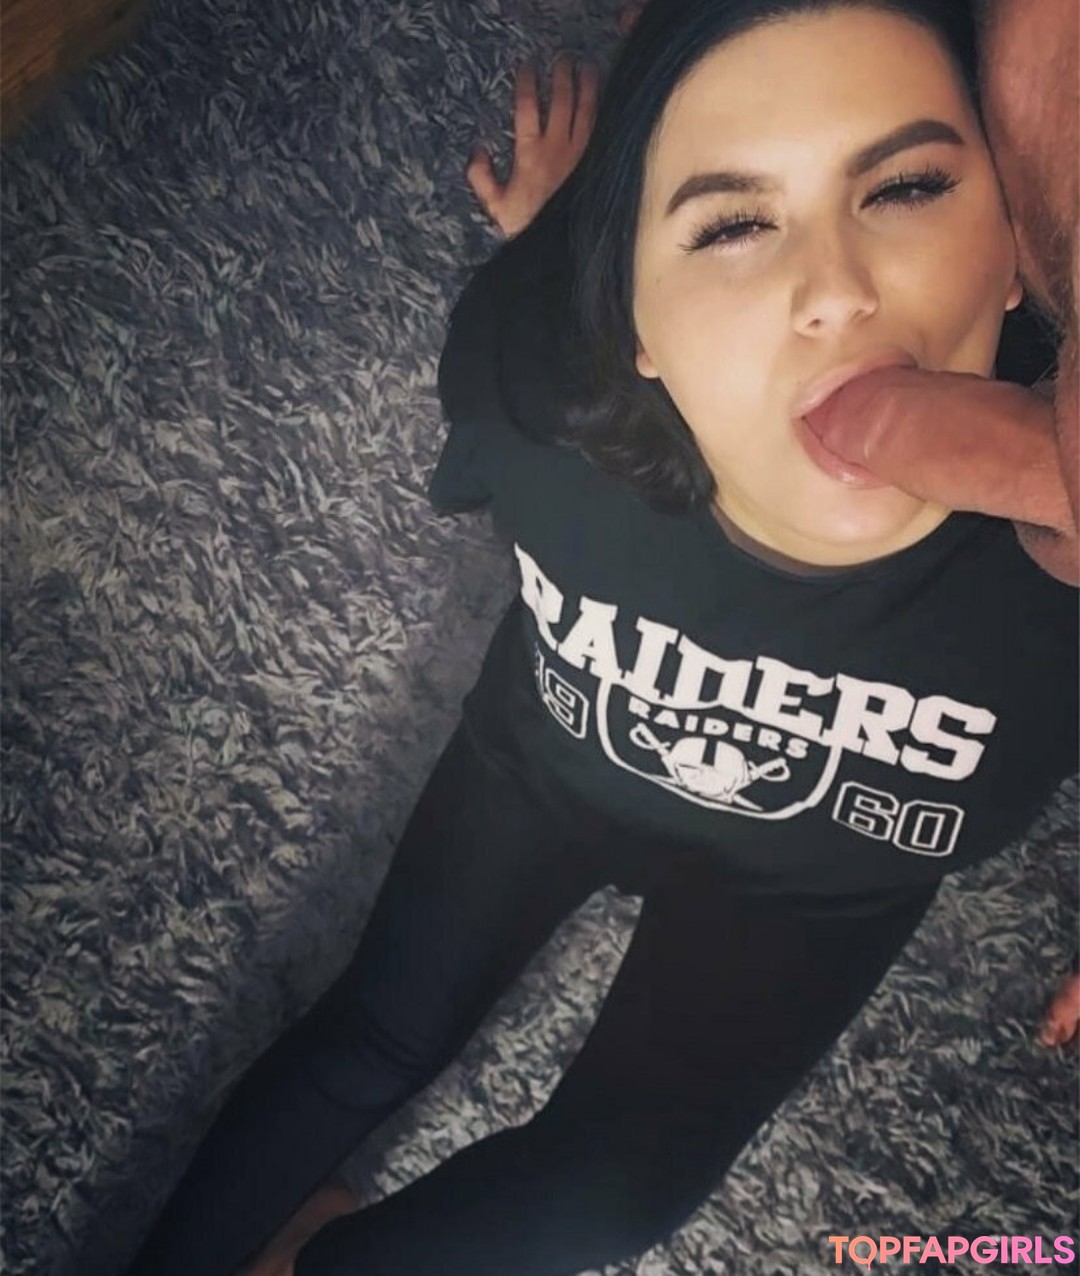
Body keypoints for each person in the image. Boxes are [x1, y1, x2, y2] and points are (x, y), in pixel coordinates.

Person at [124, 3, 1078, 1275]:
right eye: (730, 224)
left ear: (1018, 257)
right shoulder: (535, 404)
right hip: (545, 770)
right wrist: (555, 243)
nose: (837, 293)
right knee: (376, 1034)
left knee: (614, 1200)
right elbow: (555, 315)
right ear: (634, 319)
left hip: (818, 882)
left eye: (905, 187)